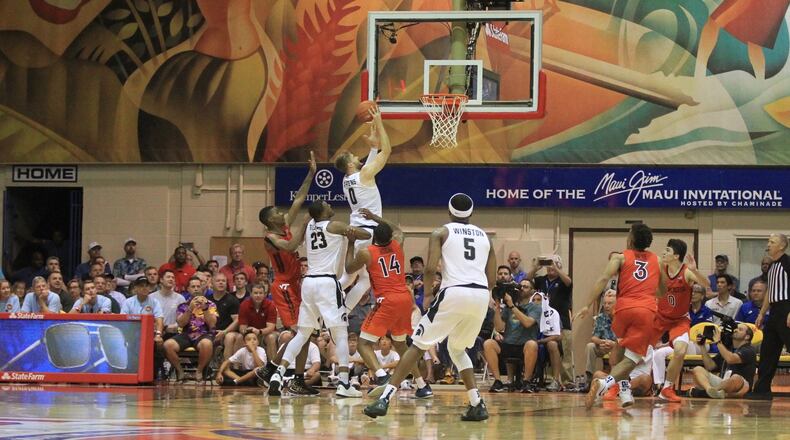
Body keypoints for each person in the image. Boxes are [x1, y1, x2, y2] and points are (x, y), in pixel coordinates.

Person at [365, 193, 496, 421]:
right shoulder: (485, 237)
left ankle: (384, 398)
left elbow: (429, 268)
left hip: (454, 291)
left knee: (417, 344)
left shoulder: (441, 232)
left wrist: (426, 295)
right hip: (481, 294)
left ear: (449, 211)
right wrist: (485, 296)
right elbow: (491, 277)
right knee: (457, 350)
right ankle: (477, 404)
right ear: (471, 213)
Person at [267, 200, 371, 398]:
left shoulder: (308, 228)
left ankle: (278, 376)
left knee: (302, 335)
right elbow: (365, 235)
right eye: (327, 205)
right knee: (340, 333)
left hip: (309, 284)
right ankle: (344, 383)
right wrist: (354, 235)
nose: (331, 206)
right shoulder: (334, 225)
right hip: (326, 283)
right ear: (323, 212)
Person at [343, 208, 431, 397]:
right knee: (401, 345)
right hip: (405, 300)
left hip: (387, 300)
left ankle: (382, 377)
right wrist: (375, 217)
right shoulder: (398, 244)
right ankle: (423, 386)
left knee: (363, 344)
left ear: (374, 238)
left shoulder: (367, 252)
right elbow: (398, 231)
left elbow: (349, 268)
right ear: (390, 237)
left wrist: (350, 244)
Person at [576, 223, 665, 408]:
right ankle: (604, 384)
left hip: (622, 310)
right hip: (645, 311)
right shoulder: (658, 261)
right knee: (632, 359)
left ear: (631, 239)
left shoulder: (620, 257)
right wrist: (648, 293)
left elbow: (602, 279)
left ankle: (625, 393)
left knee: (622, 353)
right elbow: (663, 291)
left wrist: (586, 305)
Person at [256, 156, 315, 394]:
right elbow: (290, 248)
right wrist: (306, 223)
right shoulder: (269, 236)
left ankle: (294, 378)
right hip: (283, 287)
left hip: (295, 284)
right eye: (278, 212)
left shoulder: (285, 225)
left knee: (307, 332)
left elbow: (299, 197)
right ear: (271, 219)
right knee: (301, 332)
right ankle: (273, 369)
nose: (283, 212)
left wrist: (311, 173)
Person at [335, 106, 392, 311]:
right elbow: (387, 151)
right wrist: (379, 121)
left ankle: (339, 311)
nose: (355, 157)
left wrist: (372, 145)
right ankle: (331, 305)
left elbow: (372, 159)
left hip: (355, 231)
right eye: (352, 156)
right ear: (350, 164)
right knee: (353, 279)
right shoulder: (364, 174)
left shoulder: (347, 179)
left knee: (354, 278)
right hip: (367, 232)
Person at [653, 239, 709, 402]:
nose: (664, 253)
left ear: (676, 255)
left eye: (668, 250)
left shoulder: (686, 272)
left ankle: (667, 388)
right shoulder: (660, 268)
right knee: (633, 350)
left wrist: (695, 271)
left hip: (679, 320)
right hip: (659, 317)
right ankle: (614, 385)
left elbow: (706, 285)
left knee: (680, 351)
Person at [749, 233, 790, 400]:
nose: (768, 244)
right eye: (768, 241)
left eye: (772, 242)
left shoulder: (788, 262)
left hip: (786, 309)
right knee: (768, 352)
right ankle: (762, 390)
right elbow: (770, 293)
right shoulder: (772, 266)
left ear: (781, 246)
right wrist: (761, 313)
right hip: (774, 312)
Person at [485, 283, 541, 393]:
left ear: (532, 291)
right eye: (521, 286)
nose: (522, 289)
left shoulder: (535, 307)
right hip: (508, 344)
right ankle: (498, 381)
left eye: (526, 287)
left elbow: (528, 323)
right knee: (488, 343)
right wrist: (497, 308)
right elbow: (499, 327)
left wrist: (512, 306)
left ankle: (526, 382)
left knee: (532, 344)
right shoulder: (508, 307)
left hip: (524, 346)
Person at [527, 254, 574, 385]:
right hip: (544, 322)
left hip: (562, 322)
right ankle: (548, 379)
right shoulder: (541, 280)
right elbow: (525, 281)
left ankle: (567, 381)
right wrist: (536, 267)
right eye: (549, 265)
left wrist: (557, 269)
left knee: (565, 352)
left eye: (554, 264)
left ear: (560, 265)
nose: (551, 267)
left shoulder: (563, 280)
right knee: (548, 347)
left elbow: (569, 282)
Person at [691, 324, 756, 399]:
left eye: (740, 329)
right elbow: (710, 366)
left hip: (741, 386)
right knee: (697, 369)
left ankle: (710, 392)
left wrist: (718, 342)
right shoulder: (727, 349)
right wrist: (702, 346)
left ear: (747, 337)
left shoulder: (749, 350)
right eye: (736, 328)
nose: (735, 330)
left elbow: (730, 359)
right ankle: (709, 390)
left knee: (736, 377)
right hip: (722, 384)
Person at [165, 292, 218, 381]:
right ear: (188, 289)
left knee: (207, 344)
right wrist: (190, 308)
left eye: (198, 286)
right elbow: (181, 324)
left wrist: (205, 308)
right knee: (167, 345)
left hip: (203, 334)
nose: (196, 289)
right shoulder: (183, 306)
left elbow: (212, 324)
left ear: (203, 289)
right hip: (186, 334)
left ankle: (199, 371)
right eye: (193, 287)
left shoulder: (210, 305)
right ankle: (180, 371)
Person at [121, 278, 165, 350]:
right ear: (135, 288)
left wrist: (158, 334)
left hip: (149, 333)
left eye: (147, 286)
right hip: (131, 333)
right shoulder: (127, 302)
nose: (144, 288)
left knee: (159, 344)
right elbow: (123, 320)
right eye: (141, 286)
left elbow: (159, 319)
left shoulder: (155, 302)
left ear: (150, 288)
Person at [238, 283, 278, 362]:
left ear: (265, 294)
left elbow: (271, 327)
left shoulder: (270, 305)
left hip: (267, 333)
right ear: (251, 294)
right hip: (250, 332)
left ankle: (273, 366)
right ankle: (237, 367)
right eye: (255, 293)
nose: (258, 295)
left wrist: (259, 331)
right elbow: (242, 327)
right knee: (239, 337)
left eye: (260, 293)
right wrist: (248, 332)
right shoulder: (244, 305)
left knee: (271, 337)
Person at [586, 293, 618, 386]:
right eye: (605, 303)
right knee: (590, 346)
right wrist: (601, 342)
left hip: (617, 347)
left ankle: (615, 379)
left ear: (617, 304)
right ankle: (589, 378)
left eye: (610, 303)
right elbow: (594, 337)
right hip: (603, 346)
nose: (606, 306)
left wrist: (613, 344)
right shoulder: (600, 317)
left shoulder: (622, 317)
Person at [150, 270, 186, 336]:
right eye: (168, 277)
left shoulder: (180, 298)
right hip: (154, 332)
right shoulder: (151, 297)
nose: (171, 279)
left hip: (173, 333)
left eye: (173, 278)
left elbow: (183, 320)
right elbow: (148, 317)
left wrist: (170, 327)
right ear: (161, 280)